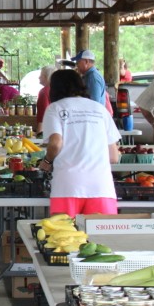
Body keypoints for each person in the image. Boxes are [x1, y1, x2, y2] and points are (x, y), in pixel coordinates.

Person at [39, 70, 121, 216]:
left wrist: (47, 161)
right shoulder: (100, 109)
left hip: (67, 185)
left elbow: (56, 143)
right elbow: (114, 156)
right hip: (101, 187)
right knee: (101, 238)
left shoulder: (55, 108)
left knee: (63, 237)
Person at [34, 65, 57, 135]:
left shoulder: (44, 92)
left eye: (41, 75)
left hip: (48, 131)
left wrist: (39, 134)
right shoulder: (57, 90)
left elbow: (43, 115)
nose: (39, 77)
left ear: (47, 77)